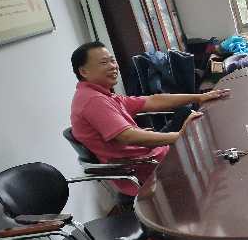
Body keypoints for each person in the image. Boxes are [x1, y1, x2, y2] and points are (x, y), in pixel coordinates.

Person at [70, 42, 229, 196]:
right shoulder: (93, 100)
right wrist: (179, 136)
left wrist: (199, 97)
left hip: (150, 156)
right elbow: (127, 136)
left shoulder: (101, 95)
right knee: (216, 158)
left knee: (187, 114)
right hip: (146, 168)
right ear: (84, 71)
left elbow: (153, 100)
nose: (113, 66)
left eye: (112, 60)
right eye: (104, 63)